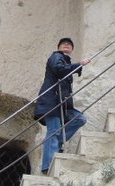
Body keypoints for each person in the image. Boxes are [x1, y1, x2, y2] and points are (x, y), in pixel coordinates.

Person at [34, 38, 90, 175]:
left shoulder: (65, 61)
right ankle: (48, 166)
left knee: (79, 119)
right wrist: (79, 64)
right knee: (53, 130)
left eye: (69, 44)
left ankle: (56, 144)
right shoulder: (57, 57)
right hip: (51, 102)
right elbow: (58, 69)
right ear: (58, 47)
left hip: (61, 104)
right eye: (63, 44)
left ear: (72, 49)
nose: (66, 45)